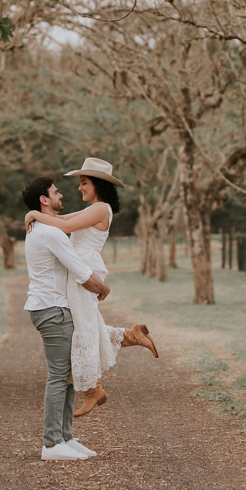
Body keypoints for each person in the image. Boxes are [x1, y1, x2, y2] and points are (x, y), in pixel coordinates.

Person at [25, 158, 158, 418]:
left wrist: (33, 214)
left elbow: (62, 226)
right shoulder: (96, 209)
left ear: (97, 185)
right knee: (84, 323)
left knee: (82, 326)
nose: (79, 188)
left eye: (84, 183)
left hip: (83, 269)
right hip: (80, 269)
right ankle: (132, 335)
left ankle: (92, 389)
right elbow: (63, 218)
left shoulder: (100, 209)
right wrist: (40, 214)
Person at [22, 175, 110, 461]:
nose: (63, 194)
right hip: (53, 309)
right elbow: (82, 273)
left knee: (68, 376)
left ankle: (66, 437)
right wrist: (103, 288)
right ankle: (51, 443)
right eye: (56, 192)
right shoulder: (51, 233)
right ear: (44, 200)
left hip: (54, 307)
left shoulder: (42, 228)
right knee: (59, 376)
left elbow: (71, 222)